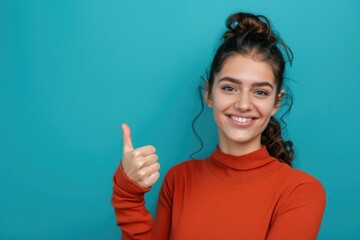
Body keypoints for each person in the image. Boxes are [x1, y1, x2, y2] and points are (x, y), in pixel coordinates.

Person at [111, 12, 326, 240]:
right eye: (230, 88)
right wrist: (127, 195)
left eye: (260, 92)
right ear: (209, 94)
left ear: (276, 103)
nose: (243, 104)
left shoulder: (302, 192)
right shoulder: (178, 179)